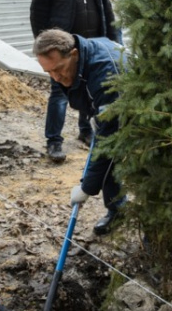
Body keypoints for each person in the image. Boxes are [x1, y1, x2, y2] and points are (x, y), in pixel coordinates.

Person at [30, 0, 119, 162]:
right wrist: (44, 47)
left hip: (91, 46)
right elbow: (38, 11)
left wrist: (112, 41)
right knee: (59, 93)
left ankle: (86, 131)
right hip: (62, 49)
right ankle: (54, 141)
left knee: (89, 92)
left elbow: (106, 8)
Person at [33, 29, 127, 235]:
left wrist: (87, 188)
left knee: (115, 157)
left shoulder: (105, 73)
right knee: (107, 163)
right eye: (49, 72)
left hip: (151, 115)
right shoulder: (77, 61)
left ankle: (156, 236)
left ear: (73, 54)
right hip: (117, 105)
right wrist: (98, 114)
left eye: (58, 69)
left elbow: (109, 141)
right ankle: (118, 210)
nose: (55, 78)